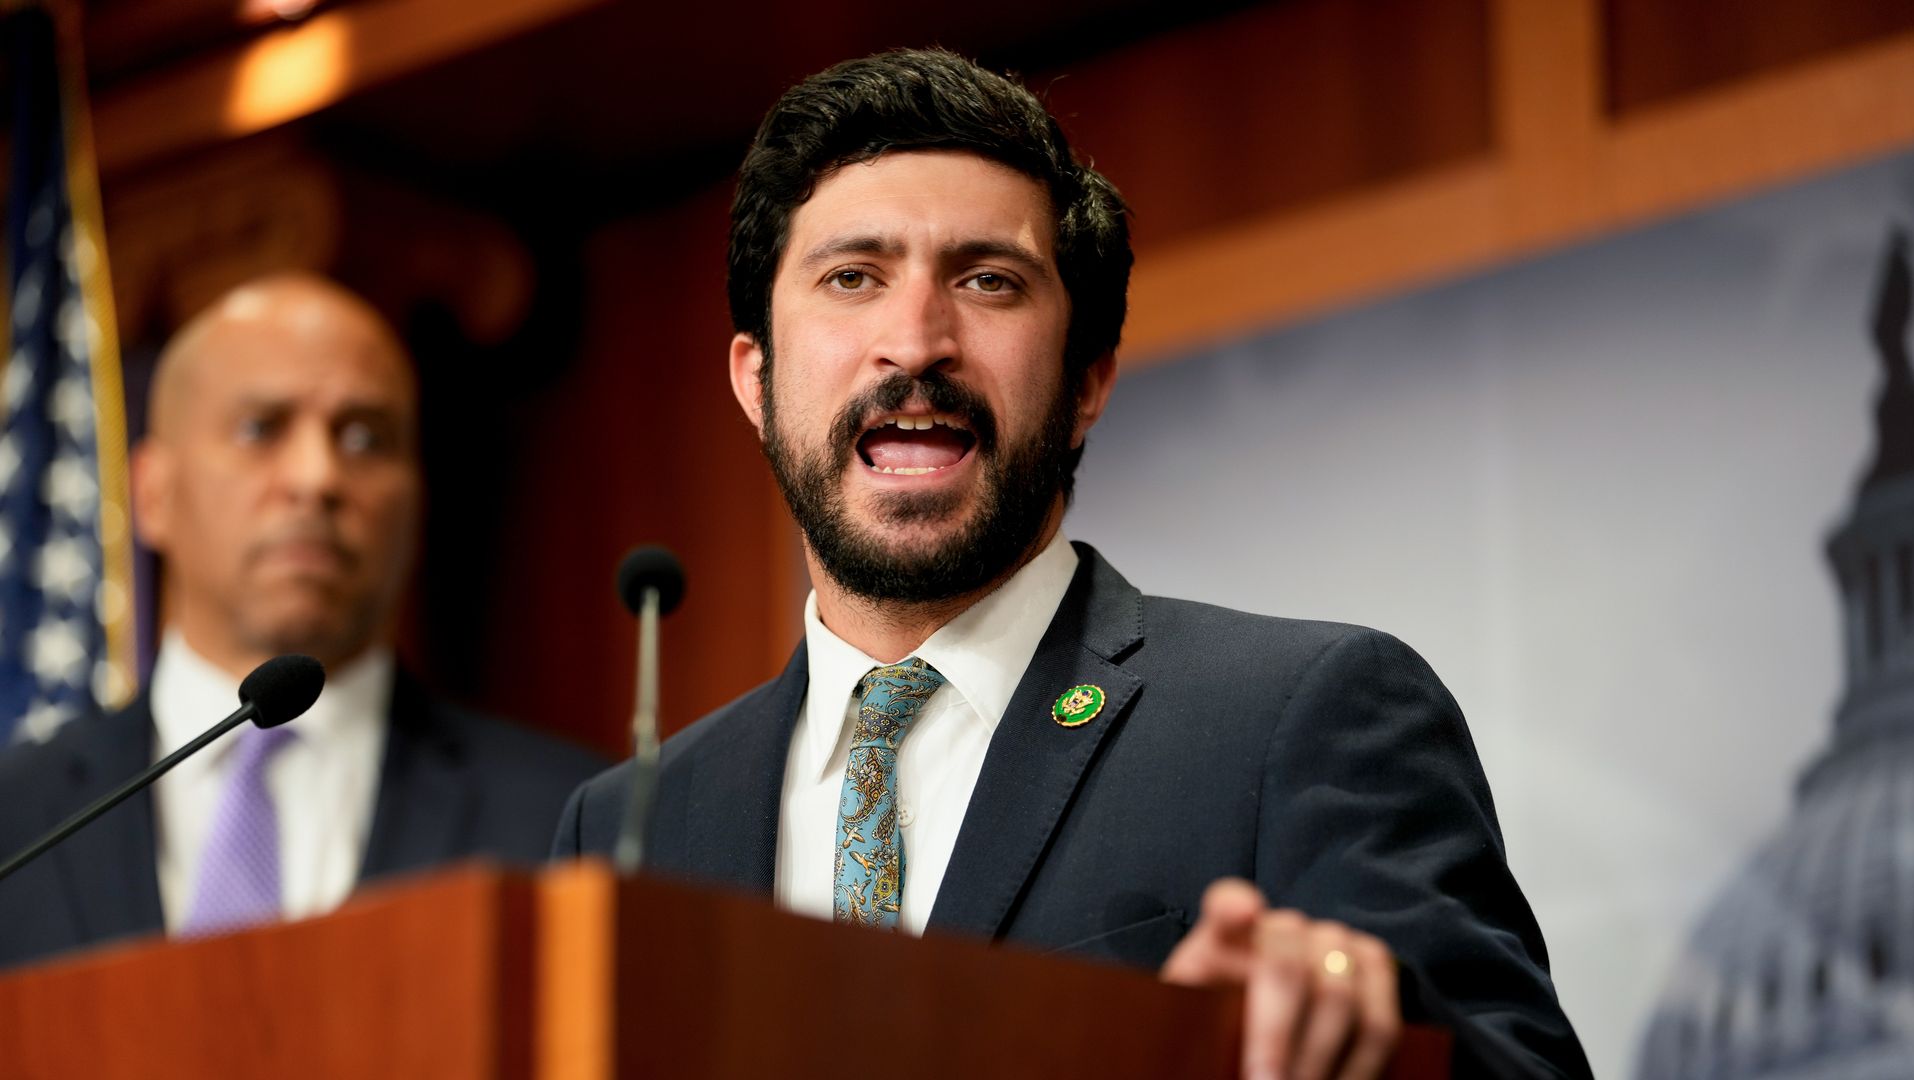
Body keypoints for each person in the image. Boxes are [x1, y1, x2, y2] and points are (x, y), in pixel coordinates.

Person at [552, 50, 1590, 1079]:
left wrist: (1365, 1025)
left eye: (987, 280)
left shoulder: (1301, 716)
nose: (915, 342)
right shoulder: (626, 827)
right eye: (853, 277)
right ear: (756, 380)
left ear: (1086, 382)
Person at [0, 273, 606, 970]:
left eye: (364, 438)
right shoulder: (17, 825)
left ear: (417, 502)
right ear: (152, 492)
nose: (317, 477)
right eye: (261, 428)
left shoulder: (572, 821)